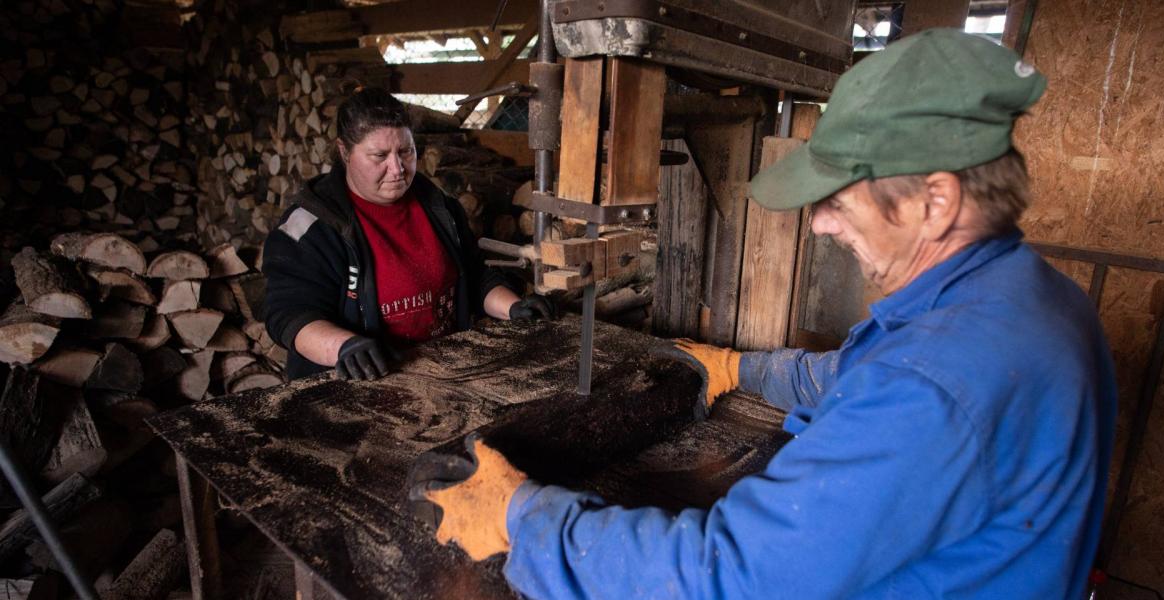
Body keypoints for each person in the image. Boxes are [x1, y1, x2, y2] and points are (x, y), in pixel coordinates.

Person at [410, 29, 1117, 598]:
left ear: (936, 202)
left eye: (839, 200)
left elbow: (728, 578)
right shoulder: (1029, 297)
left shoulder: (935, 381)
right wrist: (743, 367)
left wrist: (527, 521)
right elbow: (858, 374)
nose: (820, 226)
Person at [263, 87, 552, 381]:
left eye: (406, 151)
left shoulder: (440, 207)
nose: (397, 169)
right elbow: (289, 314)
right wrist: (343, 346)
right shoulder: (312, 226)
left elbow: (474, 276)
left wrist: (513, 307)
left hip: (443, 371)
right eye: (379, 156)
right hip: (357, 383)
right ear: (344, 151)